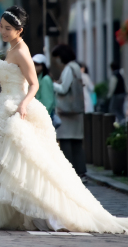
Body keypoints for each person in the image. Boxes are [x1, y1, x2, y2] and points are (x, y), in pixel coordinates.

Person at [0, 6, 128, 234]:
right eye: (2, 27)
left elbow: (33, 84)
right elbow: (6, 78)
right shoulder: (10, 48)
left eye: (8, 29)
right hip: (4, 107)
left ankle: (49, 213)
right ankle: (13, 211)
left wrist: (24, 104)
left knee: (28, 163)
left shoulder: (22, 51)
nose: (3, 32)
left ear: (20, 30)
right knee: (5, 163)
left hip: (17, 110)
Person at [51, 45, 86, 177]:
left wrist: (51, 83)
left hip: (66, 112)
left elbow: (63, 89)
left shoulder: (69, 69)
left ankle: (70, 174)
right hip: (75, 111)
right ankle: (81, 172)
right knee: (77, 144)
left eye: (58, 57)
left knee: (66, 143)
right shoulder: (76, 67)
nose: (57, 61)